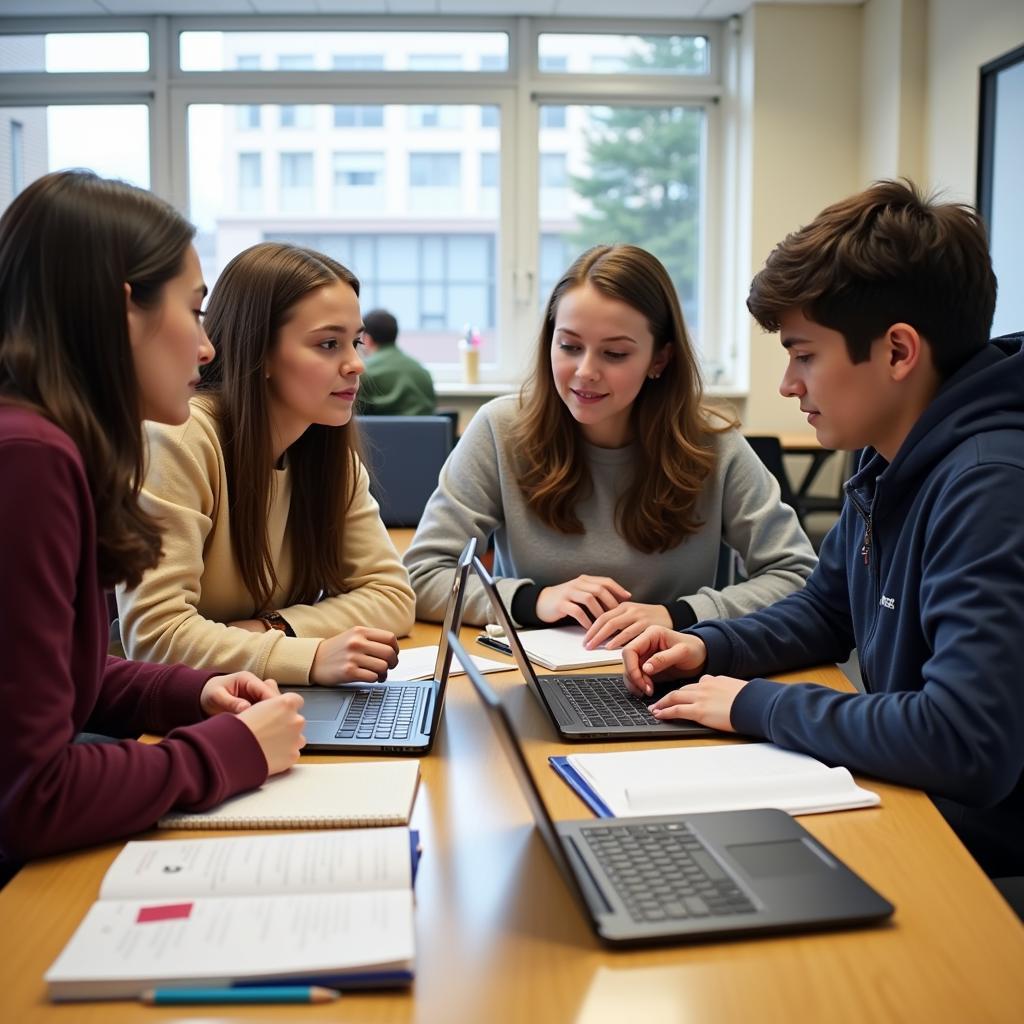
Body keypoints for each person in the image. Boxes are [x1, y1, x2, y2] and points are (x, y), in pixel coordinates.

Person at [621, 181, 1024, 879]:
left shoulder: (990, 483)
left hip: (973, 854)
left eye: (804, 354)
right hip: (915, 804)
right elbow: (824, 609)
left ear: (898, 352)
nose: (786, 384)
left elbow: (966, 741)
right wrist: (705, 645)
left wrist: (756, 704)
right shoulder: (888, 452)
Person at [0, 172, 306, 866]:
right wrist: (229, 754)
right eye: (195, 313)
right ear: (123, 311)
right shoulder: (27, 459)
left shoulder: (45, 443)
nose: (206, 348)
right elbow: (30, 795)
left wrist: (189, 690)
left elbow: (45, 681)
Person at [404, 244, 816, 637]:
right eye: (569, 346)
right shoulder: (501, 428)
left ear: (659, 358)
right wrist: (534, 602)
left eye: (614, 354)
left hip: (671, 675)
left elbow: (798, 576)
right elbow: (423, 576)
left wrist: (680, 616)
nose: (585, 371)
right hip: (529, 672)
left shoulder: (711, 443)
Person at [116, 243, 415, 686]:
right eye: (328, 344)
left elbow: (392, 597)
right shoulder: (179, 440)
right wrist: (309, 657)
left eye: (355, 341)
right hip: (166, 713)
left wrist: (274, 628)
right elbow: (156, 637)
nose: (355, 364)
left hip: (261, 697)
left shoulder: (328, 451)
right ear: (260, 352)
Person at [357, 308, 437, 416]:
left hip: (381, 432)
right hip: (425, 432)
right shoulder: (422, 371)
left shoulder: (362, 371)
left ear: (367, 339)